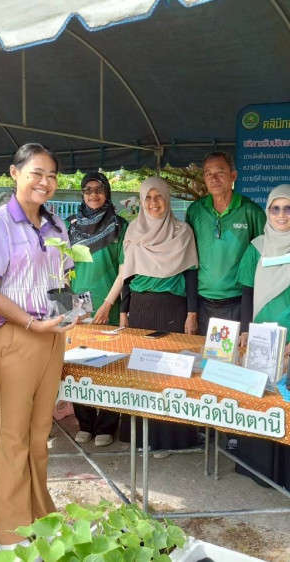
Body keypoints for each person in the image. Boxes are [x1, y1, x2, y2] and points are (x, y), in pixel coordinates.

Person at [0, 143, 77, 554]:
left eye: (51, 175)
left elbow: (62, 281)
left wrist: (70, 312)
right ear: (14, 173)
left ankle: (41, 518)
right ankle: (11, 537)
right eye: (36, 173)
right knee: (13, 436)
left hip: (53, 335)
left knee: (39, 433)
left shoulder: (56, 225)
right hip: (17, 336)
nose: (44, 182)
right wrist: (31, 322)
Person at [233, 184, 290, 496]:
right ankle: (259, 470)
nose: (281, 215)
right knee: (261, 399)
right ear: (267, 212)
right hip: (261, 336)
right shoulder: (256, 247)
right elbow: (246, 292)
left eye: (288, 208)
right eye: (275, 208)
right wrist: (246, 330)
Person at [118, 177, 200, 456]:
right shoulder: (133, 230)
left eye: (159, 196)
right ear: (142, 201)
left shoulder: (182, 231)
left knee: (172, 374)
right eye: (148, 198)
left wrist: (192, 313)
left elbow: (191, 274)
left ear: (167, 198)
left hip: (173, 309)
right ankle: (142, 436)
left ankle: (169, 438)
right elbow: (127, 275)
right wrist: (123, 312)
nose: (154, 203)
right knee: (141, 374)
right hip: (141, 309)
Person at [67, 171, 128, 447]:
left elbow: (124, 270)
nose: (93, 194)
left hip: (109, 305)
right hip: (78, 307)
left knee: (110, 367)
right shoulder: (70, 225)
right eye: (88, 190)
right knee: (79, 366)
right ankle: (85, 422)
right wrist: (68, 305)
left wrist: (108, 304)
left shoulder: (119, 225)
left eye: (99, 189)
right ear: (82, 194)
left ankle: (107, 424)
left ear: (107, 192)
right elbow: (62, 267)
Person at [185, 152, 265, 335]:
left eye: (220, 172)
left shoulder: (251, 212)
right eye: (208, 173)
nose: (213, 179)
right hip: (202, 304)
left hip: (239, 303)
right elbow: (189, 260)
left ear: (233, 175)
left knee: (236, 353)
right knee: (201, 353)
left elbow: (263, 259)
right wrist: (192, 311)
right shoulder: (195, 211)